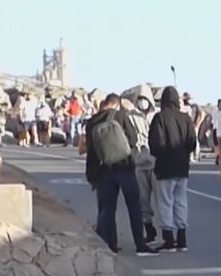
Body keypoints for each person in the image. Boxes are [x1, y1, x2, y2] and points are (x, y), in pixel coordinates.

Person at [84, 94, 156, 256]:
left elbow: (91, 150)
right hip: (125, 167)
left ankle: (110, 245)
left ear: (105, 103)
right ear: (116, 104)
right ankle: (140, 244)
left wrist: (91, 174)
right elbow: (133, 138)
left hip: (103, 170)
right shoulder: (121, 116)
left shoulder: (92, 121)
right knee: (134, 206)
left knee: (107, 209)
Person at [148, 87, 198, 252]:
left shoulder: (159, 118)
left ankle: (169, 239)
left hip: (164, 166)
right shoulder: (186, 119)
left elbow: (155, 144)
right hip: (182, 166)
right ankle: (182, 238)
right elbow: (192, 142)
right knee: (180, 201)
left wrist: (162, 154)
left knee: (165, 202)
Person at [126, 94, 159, 244]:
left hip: (155, 161)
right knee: (143, 199)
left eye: (144, 98)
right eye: (140, 98)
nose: (142, 101)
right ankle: (149, 228)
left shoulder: (157, 115)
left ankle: (168, 231)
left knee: (162, 199)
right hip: (139, 162)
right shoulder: (130, 116)